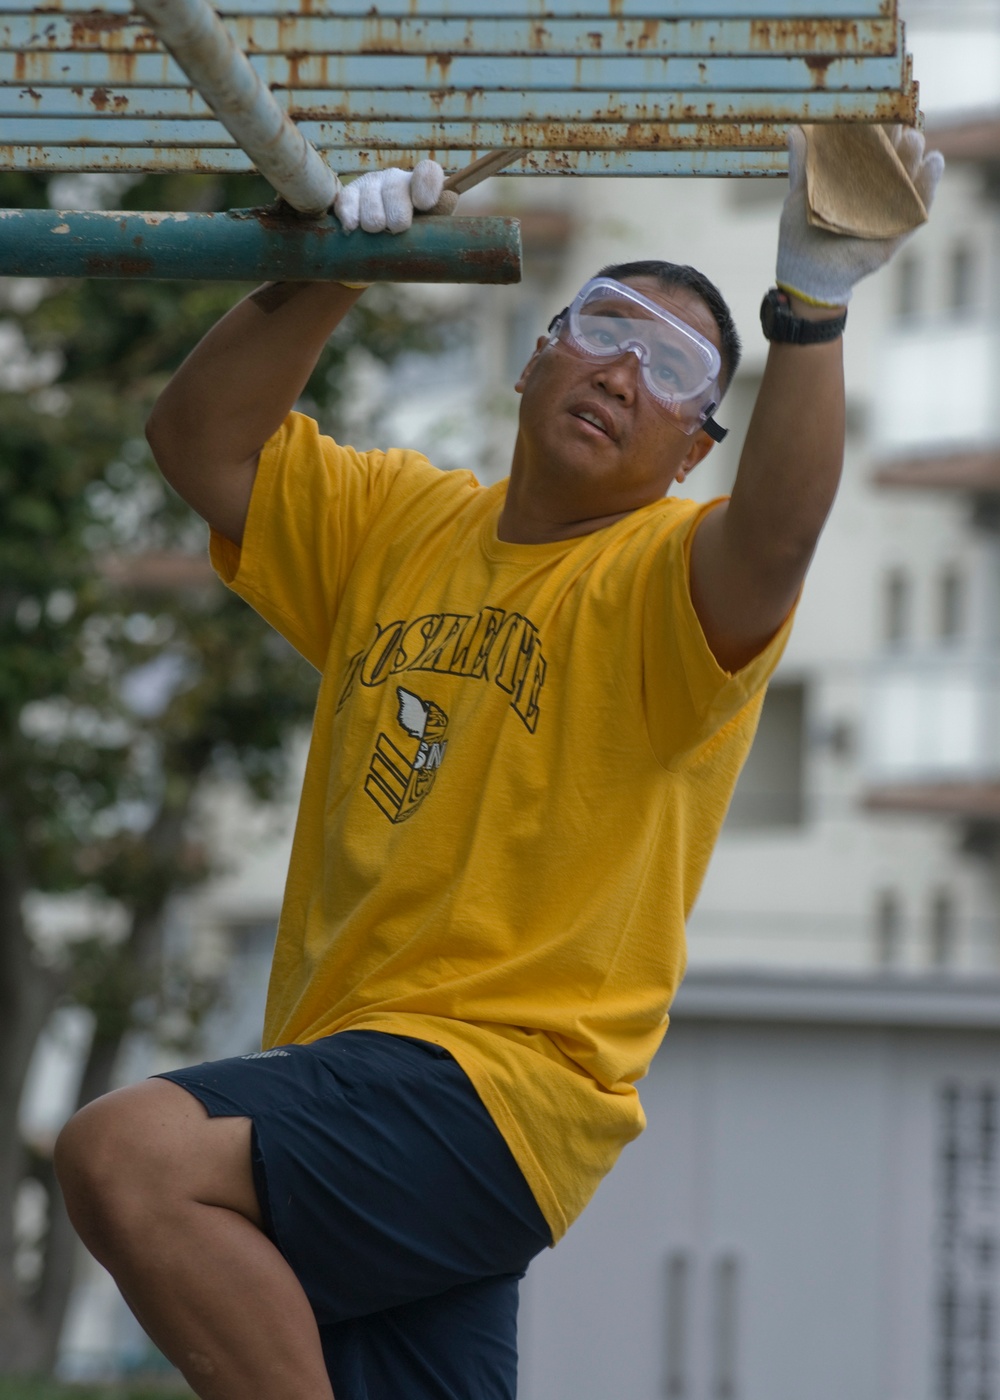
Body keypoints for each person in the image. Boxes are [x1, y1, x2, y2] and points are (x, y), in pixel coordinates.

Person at [54, 128, 942, 1400]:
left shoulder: (662, 581)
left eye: (676, 366)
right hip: (343, 1069)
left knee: (127, 1155)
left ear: (693, 451)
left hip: (498, 1083)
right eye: (606, 325)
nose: (626, 369)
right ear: (538, 352)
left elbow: (783, 530)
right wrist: (345, 263)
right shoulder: (401, 525)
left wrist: (809, 307)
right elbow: (201, 443)